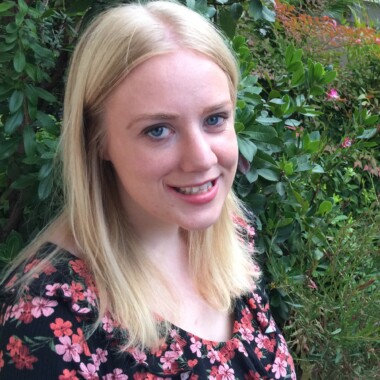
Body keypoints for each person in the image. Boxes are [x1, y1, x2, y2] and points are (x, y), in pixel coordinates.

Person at [0, 1, 296, 379]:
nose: (201, 159)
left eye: (215, 119)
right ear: (98, 140)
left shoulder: (235, 232)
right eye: (158, 130)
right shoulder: (47, 316)